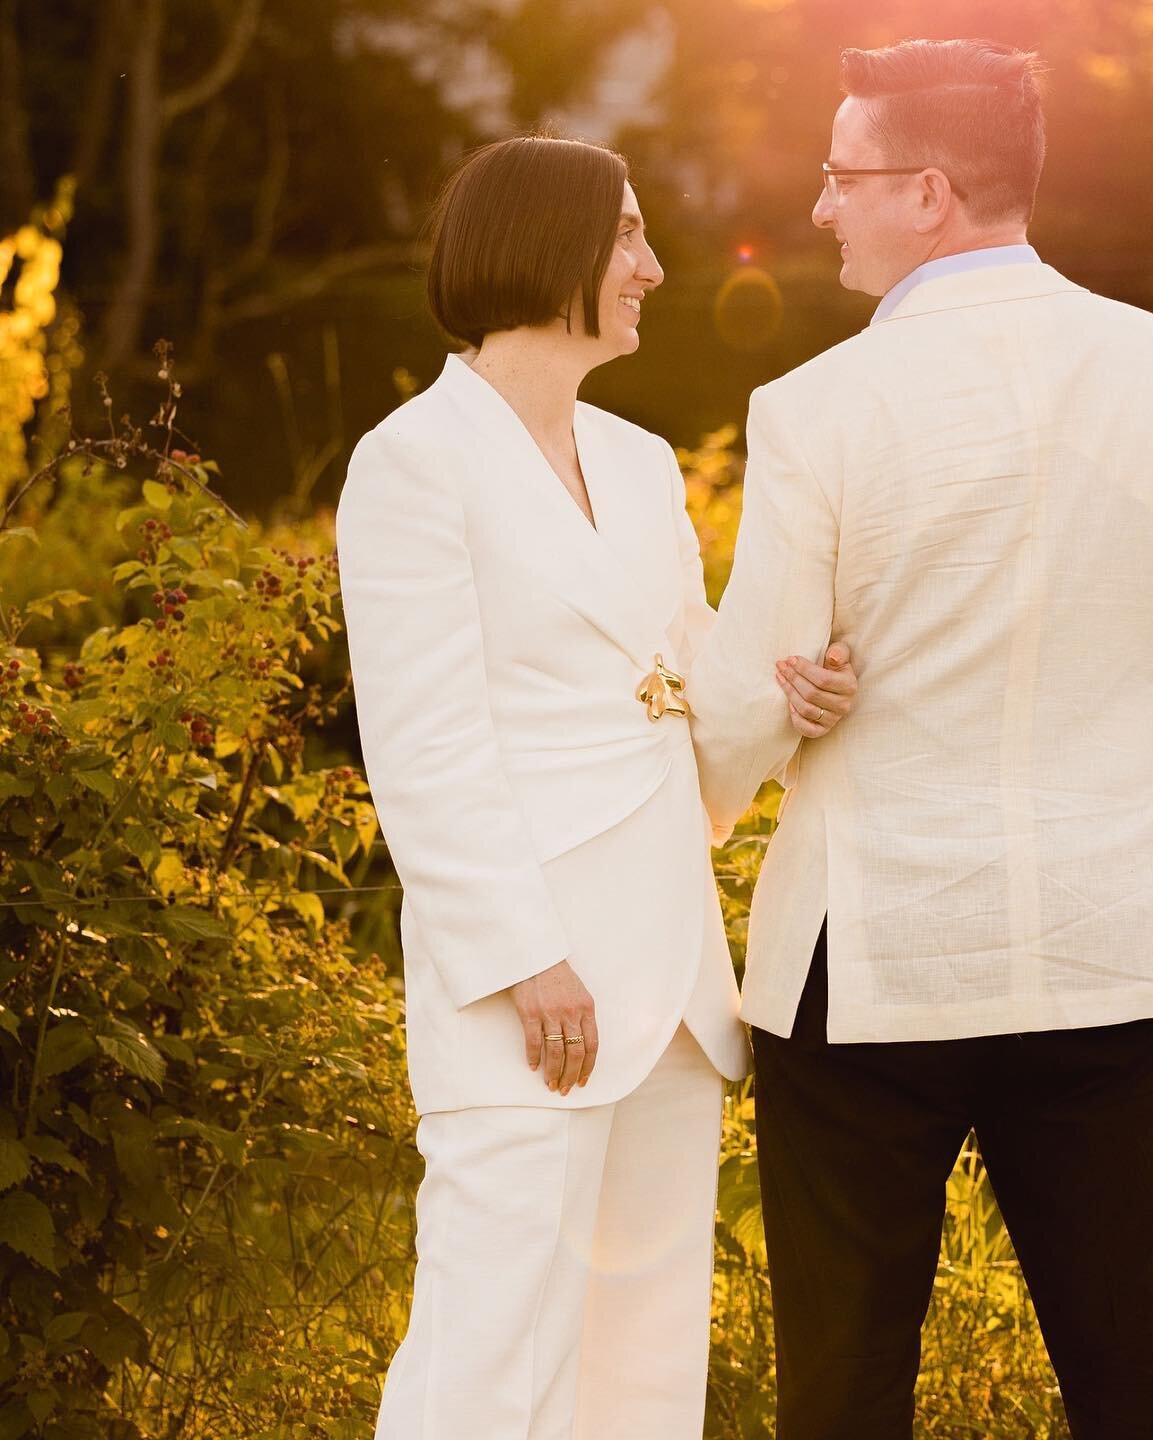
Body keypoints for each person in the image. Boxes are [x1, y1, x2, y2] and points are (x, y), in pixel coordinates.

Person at [686, 37, 1153, 1440]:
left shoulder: (816, 408)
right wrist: (1080, 725)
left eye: (844, 176)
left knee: (843, 1386)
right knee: (1137, 1371)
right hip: (1099, 941)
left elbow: (748, 691)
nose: (823, 204)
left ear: (930, 192)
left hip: (869, 964)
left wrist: (704, 809)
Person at [333, 135, 858, 1440]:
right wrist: (526, 958)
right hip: (532, 990)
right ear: (546, 245)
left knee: (642, 1364)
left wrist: (781, 701)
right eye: (627, 234)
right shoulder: (410, 464)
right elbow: (426, 743)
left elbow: (690, 687)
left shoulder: (639, 463)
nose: (655, 266)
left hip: (673, 981)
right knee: (488, 1354)